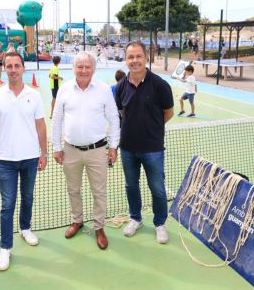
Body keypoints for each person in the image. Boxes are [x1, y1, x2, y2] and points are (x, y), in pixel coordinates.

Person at [52, 51, 120, 250]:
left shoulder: (104, 90)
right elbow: (57, 120)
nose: (83, 70)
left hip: (97, 151)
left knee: (99, 192)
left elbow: (114, 119)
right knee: (73, 189)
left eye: (87, 67)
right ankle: (77, 220)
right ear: (74, 69)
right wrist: (57, 147)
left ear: (93, 69)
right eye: (79, 67)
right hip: (70, 150)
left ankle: (99, 227)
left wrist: (113, 146)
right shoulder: (64, 90)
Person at [0, 52, 48, 271]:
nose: (12, 69)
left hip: (31, 158)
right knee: (7, 204)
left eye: (16, 66)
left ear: (23, 68)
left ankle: (25, 228)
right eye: (9, 66)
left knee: (28, 197)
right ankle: (5, 247)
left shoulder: (35, 94)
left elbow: (41, 125)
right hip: (6, 160)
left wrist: (44, 153)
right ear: (4, 68)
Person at [115, 41, 174, 244]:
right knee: (131, 186)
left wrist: (152, 129)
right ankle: (135, 218)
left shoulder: (160, 84)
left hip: (153, 149)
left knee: (157, 187)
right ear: (126, 60)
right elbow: (123, 113)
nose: (135, 61)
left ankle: (160, 224)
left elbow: (168, 112)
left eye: (138, 56)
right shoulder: (121, 86)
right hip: (128, 148)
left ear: (145, 58)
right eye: (130, 57)